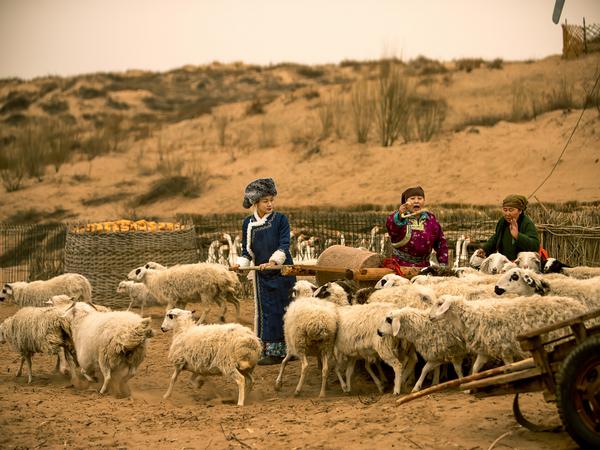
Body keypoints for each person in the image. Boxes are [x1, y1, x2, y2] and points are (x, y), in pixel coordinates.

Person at [230, 178, 296, 365]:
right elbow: (247, 251)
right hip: (262, 275)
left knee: (286, 309)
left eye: (271, 200)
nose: (269, 204)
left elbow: (284, 245)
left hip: (282, 272)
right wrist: (240, 265)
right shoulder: (248, 223)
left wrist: (273, 261)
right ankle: (271, 352)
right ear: (256, 202)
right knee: (267, 311)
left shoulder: (281, 220)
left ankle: (291, 350)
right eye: (265, 201)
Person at [385, 186, 448, 269]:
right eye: (412, 198)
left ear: (424, 201)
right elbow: (392, 227)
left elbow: (441, 242)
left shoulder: (431, 219)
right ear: (405, 202)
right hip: (400, 266)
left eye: (420, 198)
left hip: (424, 267)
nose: (416, 201)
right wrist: (400, 215)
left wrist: (443, 263)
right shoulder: (400, 218)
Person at [475, 194, 540, 261]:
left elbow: (535, 246)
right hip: (504, 262)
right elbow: (496, 237)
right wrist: (485, 249)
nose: (507, 213)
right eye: (505, 210)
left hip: (521, 264)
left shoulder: (527, 223)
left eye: (511, 210)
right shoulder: (502, 222)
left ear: (520, 211)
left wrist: (517, 236)